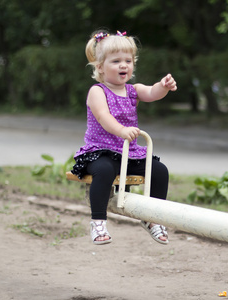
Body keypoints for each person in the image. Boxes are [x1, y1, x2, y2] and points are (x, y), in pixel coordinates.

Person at [71, 30, 177, 245]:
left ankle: (152, 218)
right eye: (116, 61)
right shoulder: (97, 91)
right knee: (104, 170)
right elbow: (103, 116)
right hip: (101, 151)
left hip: (128, 153)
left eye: (128, 61)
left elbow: (151, 92)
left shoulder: (133, 90)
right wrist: (121, 130)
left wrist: (163, 86)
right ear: (100, 67)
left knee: (159, 171)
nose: (124, 65)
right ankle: (98, 221)